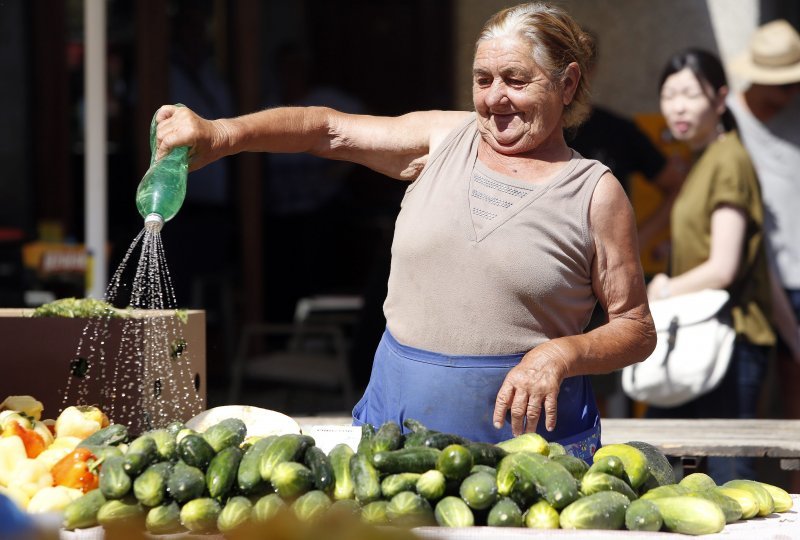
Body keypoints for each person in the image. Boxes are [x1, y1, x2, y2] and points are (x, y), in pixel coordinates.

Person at [152, 2, 656, 458]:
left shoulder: (593, 192)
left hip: (528, 459)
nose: (496, 98)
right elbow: (326, 129)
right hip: (396, 439)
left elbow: (634, 328)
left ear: (567, 84)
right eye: (483, 80)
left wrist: (562, 353)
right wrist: (221, 135)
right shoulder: (441, 139)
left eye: (516, 80)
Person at [645, 49, 775, 483]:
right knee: (679, 472)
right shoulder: (704, 158)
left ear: (720, 99)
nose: (677, 106)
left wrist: (661, 288)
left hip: (726, 342)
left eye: (689, 94)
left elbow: (723, 266)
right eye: (668, 95)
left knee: (728, 480)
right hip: (703, 337)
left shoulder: (727, 160)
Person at [726, 18, 800, 491]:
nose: (786, 92)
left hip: (798, 275)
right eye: (779, 83)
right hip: (755, 276)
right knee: (744, 392)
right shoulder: (727, 116)